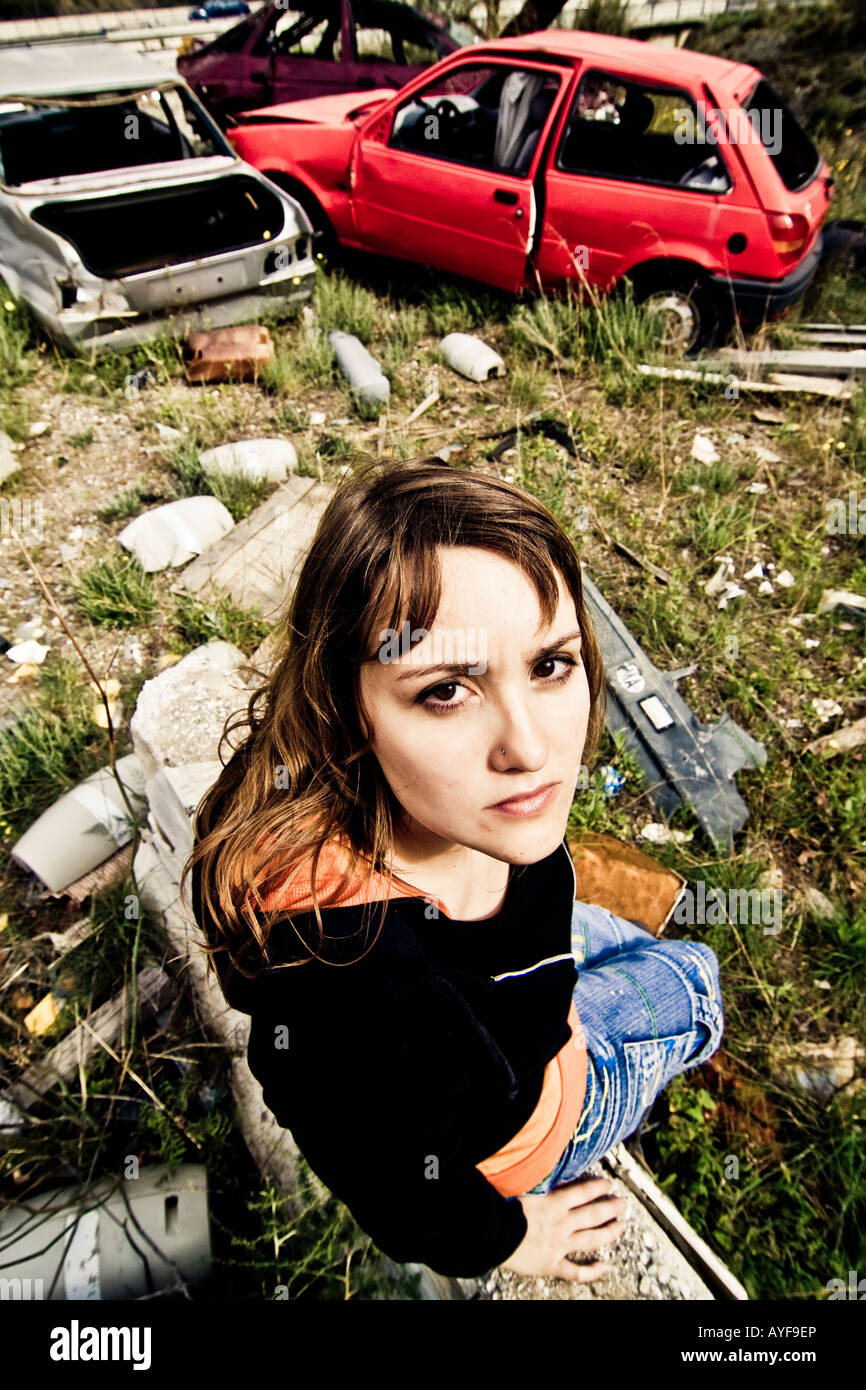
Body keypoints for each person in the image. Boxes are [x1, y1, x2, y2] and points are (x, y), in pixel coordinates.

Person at [184, 458, 723, 1284]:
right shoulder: (359, 986)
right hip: (533, 1118)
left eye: (550, 665)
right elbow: (397, 1188)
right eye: (445, 691)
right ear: (346, 706)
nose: (532, 749)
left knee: (599, 935)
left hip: (514, 985)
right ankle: (624, 1111)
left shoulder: (392, 791)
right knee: (693, 976)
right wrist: (511, 1239)